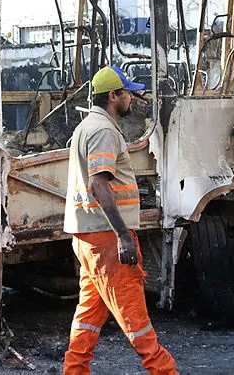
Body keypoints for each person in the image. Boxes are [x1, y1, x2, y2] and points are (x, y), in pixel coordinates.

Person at [63, 66, 178, 375]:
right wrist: (123, 235)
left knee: (87, 319)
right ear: (113, 96)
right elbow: (99, 185)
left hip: (90, 240)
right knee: (138, 326)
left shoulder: (86, 127)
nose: (131, 98)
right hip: (108, 241)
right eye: (127, 92)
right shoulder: (103, 130)